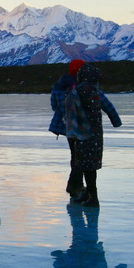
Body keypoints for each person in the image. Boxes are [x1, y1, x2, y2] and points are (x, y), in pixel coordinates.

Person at [69, 63, 122, 207]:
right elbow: (109, 108)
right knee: (90, 165)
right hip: (96, 134)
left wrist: (70, 130)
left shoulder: (78, 91)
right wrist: (116, 122)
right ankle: (90, 194)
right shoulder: (97, 92)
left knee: (84, 165)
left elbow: (70, 111)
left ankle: (93, 197)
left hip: (82, 134)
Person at [49, 59, 86, 198]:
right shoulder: (81, 86)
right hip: (81, 126)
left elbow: (54, 105)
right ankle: (75, 185)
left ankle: (76, 186)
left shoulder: (58, 86)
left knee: (74, 154)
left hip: (66, 126)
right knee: (80, 156)